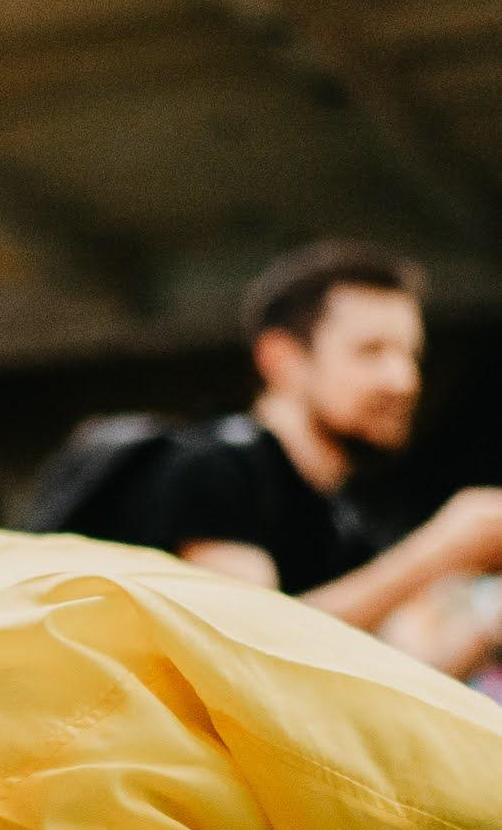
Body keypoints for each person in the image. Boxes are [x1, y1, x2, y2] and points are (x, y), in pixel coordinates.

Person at [51, 241, 502, 678]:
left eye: (411, 355)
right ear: (282, 359)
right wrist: (444, 548)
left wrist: (488, 629)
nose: (404, 380)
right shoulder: (215, 470)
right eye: (371, 351)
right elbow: (253, 651)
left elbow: (399, 673)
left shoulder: (343, 523)